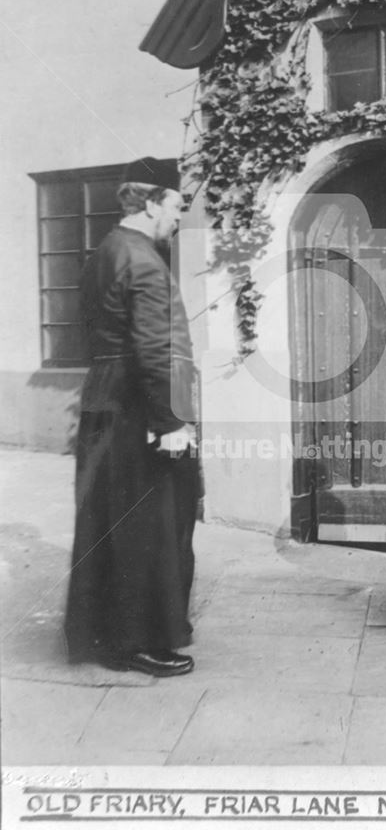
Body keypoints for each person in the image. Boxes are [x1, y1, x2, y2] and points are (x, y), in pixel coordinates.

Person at [64, 157, 202, 677]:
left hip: (105, 402)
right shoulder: (143, 261)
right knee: (151, 524)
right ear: (149, 203)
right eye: (175, 205)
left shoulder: (104, 253)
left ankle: (102, 634)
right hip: (139, 409)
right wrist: (170, 422)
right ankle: (139, 641)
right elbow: (155, 350)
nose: (179, 217)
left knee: (105, 521)